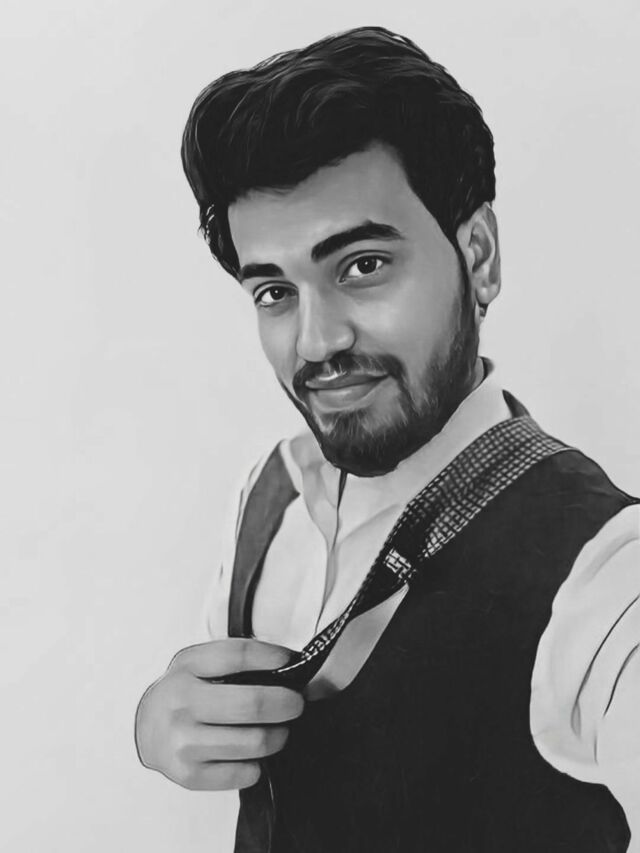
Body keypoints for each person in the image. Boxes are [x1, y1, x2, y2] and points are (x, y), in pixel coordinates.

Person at [135, 26, 640, 853]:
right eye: (274, 291)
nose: (317, 340)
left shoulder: (610, 575)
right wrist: (161, 725)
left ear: (479, 256)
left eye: (362, 265)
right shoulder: (267, 495)